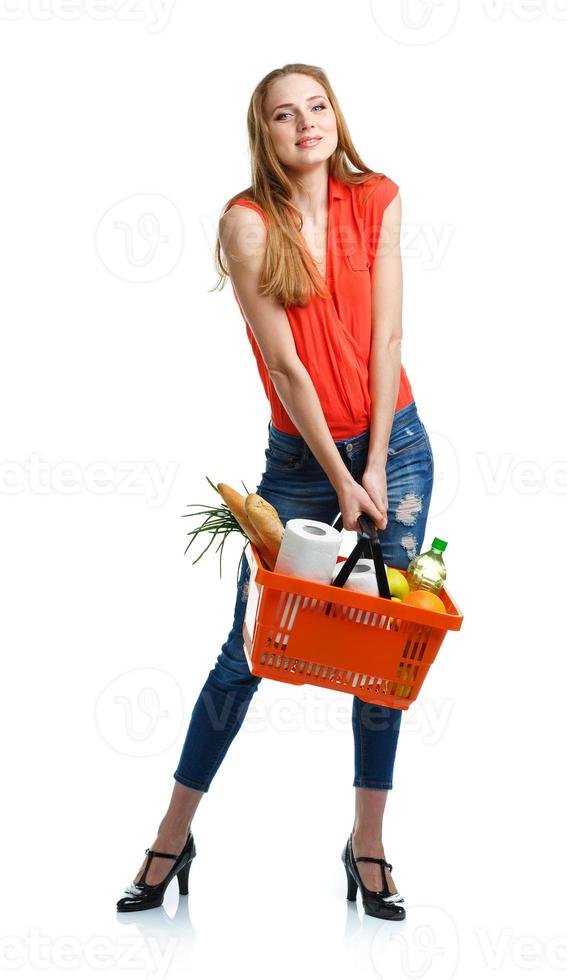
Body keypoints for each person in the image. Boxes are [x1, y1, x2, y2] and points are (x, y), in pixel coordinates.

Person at [116, 63, 434, 920]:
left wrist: (373, 466)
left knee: (383, 650)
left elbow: (388, 331)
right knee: (247, 653)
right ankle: (171, 836)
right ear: (264, 133)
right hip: (303, 464)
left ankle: (367, 847)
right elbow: (287, 369)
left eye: (317, 106)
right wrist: (340, 474)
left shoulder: (377, 198)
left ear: (337, 115)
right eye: (284, 115)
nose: (306, 124)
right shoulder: (247, 224)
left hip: (394, 448)